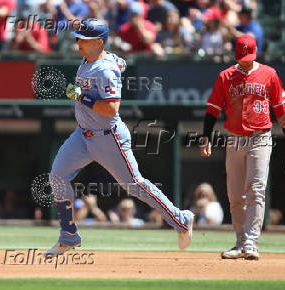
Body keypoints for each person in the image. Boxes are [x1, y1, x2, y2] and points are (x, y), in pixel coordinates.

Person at [45, 18, 194, 257]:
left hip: (108, 138)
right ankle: (68, 236)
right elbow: (120, 61)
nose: (78, 42)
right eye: (78, 38)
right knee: (57, 176)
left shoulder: (104, 69)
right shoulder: (92, 58)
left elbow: (112, 108)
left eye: (84, 39)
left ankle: (181, 219)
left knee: (135, 186)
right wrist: (116, 60)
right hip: (82, 136)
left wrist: (82, 97)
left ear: (99, 42)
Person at [200, 35, 285, 260]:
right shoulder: (226, 76)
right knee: (235, 194)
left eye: (249, 57)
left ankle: (251, 243)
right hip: (235, 138)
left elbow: (281, 111)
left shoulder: (269, 74)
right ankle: (240, 243)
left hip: (260, 137)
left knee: (256, 190)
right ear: (236, 55)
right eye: (242, 57)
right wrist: (206, 137)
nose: (246, 61)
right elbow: (212, 109)